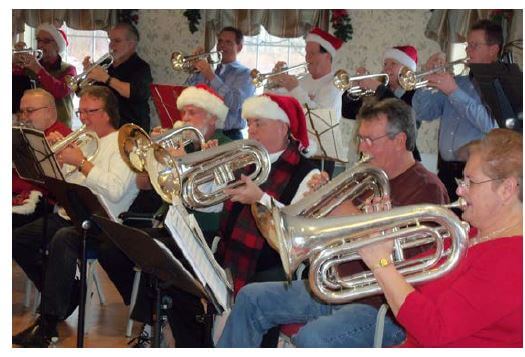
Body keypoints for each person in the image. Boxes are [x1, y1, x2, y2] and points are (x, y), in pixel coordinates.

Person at [216, 98, 450, 348]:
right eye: (360, 139)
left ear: (400, 140)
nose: (362, 148)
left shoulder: (427, 190)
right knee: (251, 298)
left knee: (313, 338)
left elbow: (413, 261)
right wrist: (318, 205)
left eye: (370, 140)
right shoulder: (366, 178)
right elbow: (330, 236)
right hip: (334, 287)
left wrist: (338, 206)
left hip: (380, 305)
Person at [357, 128, 522, 347]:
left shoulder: (513, 261)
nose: (460, 191)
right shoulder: (473, 233)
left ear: (506, 189)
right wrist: (383, 232)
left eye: (470, 182)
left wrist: (381, 264)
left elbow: (435, 329)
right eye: (461, 180)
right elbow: (412, 277)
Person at [97, 84, 233, 348]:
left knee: (161, 257)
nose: (184, 118)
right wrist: (153, 157)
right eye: (183, 112)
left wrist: (183, 163)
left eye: (193, 112)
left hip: (204, 229)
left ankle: (161, 326)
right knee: (116, 247)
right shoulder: (182, 141)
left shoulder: (224, 144)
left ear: (212, 118)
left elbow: (214, 202)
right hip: (170, 223)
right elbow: (143, 183)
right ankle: (155, 319)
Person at [12, 86, 139, 347]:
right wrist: (56, 160)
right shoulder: (87, 141)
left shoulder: (124, 145)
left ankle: (48, 324)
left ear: (107, 113)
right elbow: (67, 184)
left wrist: (81, 162)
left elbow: (115, 191)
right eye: (80, 112)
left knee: (62, 239)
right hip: (71, 214)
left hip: (103, 223)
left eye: (89, 112)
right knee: (16, 240)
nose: (82, 119)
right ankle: (66, 294)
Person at [412, 19, 500, 201]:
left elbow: (492, 125)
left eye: (474, 46)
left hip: (477, 175)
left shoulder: (500, 85)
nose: (468, 51)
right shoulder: (459, 81)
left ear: (493, 50)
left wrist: (454, 92)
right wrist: (426, 80)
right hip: (445, 170)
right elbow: (424, 113)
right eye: (468, 46)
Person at [271, 27, 344, 177]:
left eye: (312, 53)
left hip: (320, 155)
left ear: (327, 56)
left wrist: (295, 89)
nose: (307, 58)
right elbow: (274, 103)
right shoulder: (302, 80)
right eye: (306, 53)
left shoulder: (334, 84)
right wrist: (275, 82)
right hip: (296, 150)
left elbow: (320, 116)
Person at [342, 45, 423, 162]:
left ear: (407, 69)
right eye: (385, 64)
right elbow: (347, 112)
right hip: (371, 156)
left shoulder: (415, 93)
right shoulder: (377, 91)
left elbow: (407, 118)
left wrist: (379, 89)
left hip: (401, 159)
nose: (387, 68)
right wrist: (354, 88)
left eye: (393, 64)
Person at [13, 88, 72, 228]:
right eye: (22, 111)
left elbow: (51, 185)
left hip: (39, 201)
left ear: (49, 111)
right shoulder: (25, 133)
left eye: (30, 110)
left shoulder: (62, 137)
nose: (24, 116)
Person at [185, 26, 255, 140]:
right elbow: (193, 98)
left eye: (228, 42)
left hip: (229, 136)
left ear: (239, 47)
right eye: (220, 41)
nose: (222, 45)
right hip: (204, 133)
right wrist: (195, 70)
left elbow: (234, 104)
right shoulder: (210, 70)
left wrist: (212, 77)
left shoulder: (246, 75)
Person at [83, 22, 153, 131]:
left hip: (131, 130)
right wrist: (88, 77)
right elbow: (83, 93)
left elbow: (137, 93)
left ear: (131, 44)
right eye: (110, 40)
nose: (111, 45)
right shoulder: (105, 65)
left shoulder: (141, 67)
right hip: (104, 129)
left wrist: (106, 79)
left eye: (117, 41)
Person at [12, 23, 76, 127]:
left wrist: (38, 69)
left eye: (46, 41)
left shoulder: (69, 69)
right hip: (32, 126)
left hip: (59, 127)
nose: (40, 45)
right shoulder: (30, 66)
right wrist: (14, 62)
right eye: (38, 40)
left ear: (57, 46)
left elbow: (60, 91)